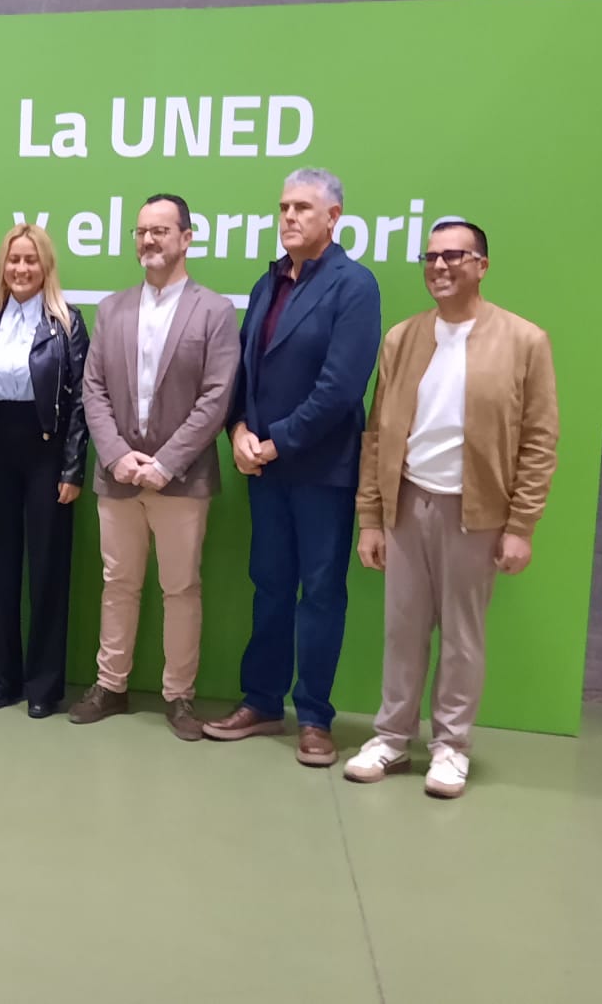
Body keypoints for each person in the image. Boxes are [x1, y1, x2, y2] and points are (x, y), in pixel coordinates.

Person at [345, 220, 558, 799]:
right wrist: (371, 516)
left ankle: (451, 747)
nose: (439, 267)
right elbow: (376, 434)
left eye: (454, 257)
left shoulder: (524, 341)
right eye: (431, 257)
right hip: (407, 504)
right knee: (402, 630)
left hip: (478, 513)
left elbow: (539, 440)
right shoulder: (403, 338)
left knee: (463, 637)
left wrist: (521, 526)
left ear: (482, 265)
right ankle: (391, 738)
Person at [207, 168, 381, 767]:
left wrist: (276, 441)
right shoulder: (268, 283)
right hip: (263, 468)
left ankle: (314, 717)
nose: (289, 217)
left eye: (302, 208)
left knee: (322, 593)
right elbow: (245, 371)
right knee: (271, 586)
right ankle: (261, 702)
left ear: (334, 217)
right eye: (283, 207)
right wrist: (236, 429)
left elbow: (341, 387)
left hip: (321, 469)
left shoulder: (355, 286)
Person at [70, 194, 239, 741]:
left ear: (186, 238)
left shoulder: (214, 311)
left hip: (181, 480)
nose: (148, 241)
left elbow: (216, 398)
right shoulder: (112, 308)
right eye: (142, 231)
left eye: (160, 231)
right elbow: (92, 389)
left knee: (180, 588)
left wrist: (166, 462)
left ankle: (179, 696)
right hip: (118, 478)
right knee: (116, 584)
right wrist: (117, 455)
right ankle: (110, 685)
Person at [0, 224, 89, 718]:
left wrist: (73, 467)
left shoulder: (66, 322)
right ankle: (0, 678)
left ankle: (44, 685)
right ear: (3, 267)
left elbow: (79, 404)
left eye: (31, 260)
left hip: (47, 452)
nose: (21, 269)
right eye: (14, 260)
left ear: (46, 266)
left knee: (48, 570)